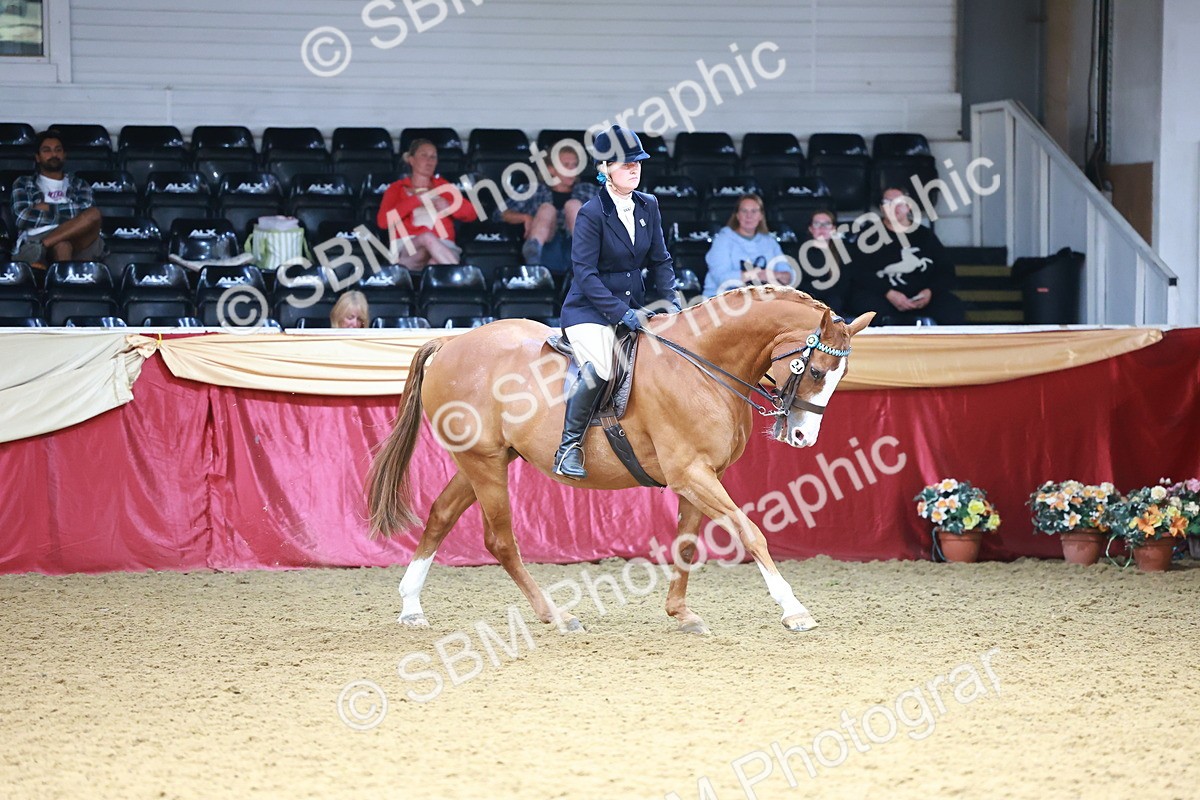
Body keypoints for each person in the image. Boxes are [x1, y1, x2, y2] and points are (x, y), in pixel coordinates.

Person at [553, 125, 679, 480]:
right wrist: (620, 313)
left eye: (638, 163)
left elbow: (661, 261)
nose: (635, 169)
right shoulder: (592, 213)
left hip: (635, 307)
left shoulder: (649, 205)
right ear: (605, 167)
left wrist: (669, 302)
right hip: (589, 311)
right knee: (602, 368)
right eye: (626, 164)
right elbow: (585, 274)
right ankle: (568, 448)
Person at [844, 187, 965, 325]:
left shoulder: (925, 236)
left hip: (922, 298)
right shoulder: (868, 236)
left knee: (952, 307)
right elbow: (858, 271)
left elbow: (946, 270)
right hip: (882, 297)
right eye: (888, 202)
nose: (893, 207)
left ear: (908, 207)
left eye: (899, 202)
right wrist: (888, 293)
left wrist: (929, 292)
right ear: (881, 208)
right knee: (867, 308)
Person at [376, 139, 477, 270]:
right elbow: (383, 222)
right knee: (427, 237)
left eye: (433, 157)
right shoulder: (396, 189)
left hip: (443, 246)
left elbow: (472, 214)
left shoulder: (444, 187)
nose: (429, 161)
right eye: (424, 155)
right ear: (411, 160)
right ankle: (461, 277)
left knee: (435, 263)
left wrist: (450, 206)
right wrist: (415, 200)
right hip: (408, 250)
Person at [11, 130, 103, 270]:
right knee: (62, 245)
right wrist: (69, 213)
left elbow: (88, 215)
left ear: (64, 155)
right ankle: (64, 288)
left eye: (58, 150)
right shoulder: (24, 183)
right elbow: (22, 217)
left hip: (77, 237)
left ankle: (42, 247)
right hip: (36, 235)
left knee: (94, 213)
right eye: (47, 150)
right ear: (37, 157)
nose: (53, 154)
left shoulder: (79, 184)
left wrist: (46, 208)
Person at [499, 142, 597, 272]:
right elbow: (501, 213)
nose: (572, 170)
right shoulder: (533, 190)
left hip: (578, 248)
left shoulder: (589, 190)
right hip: (545, 248)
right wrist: (525, 217)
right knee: (547, 209)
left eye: (574, 165)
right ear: (551, 169)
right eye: (566, 166)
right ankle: (533, 257)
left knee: (573, 205)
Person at [701, 193, 793, 296]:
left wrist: (772, 274)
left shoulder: (770, 242)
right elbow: (721, 278)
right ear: (737, 215)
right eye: (744, 211)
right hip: (722, 301)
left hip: (761, 302)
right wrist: (755, 275)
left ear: (761, 216)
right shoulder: (723, 240)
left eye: (754, 211)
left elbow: (788, 276)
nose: (749, 216)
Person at [794, 208, 849, 309]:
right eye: (817, 224)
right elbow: (799, 284)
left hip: (835, 303)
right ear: (811, 228)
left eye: (826, 224)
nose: (822, 228)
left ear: (834, 229)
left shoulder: (844, 251)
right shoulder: (799, 252)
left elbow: (846, 284)